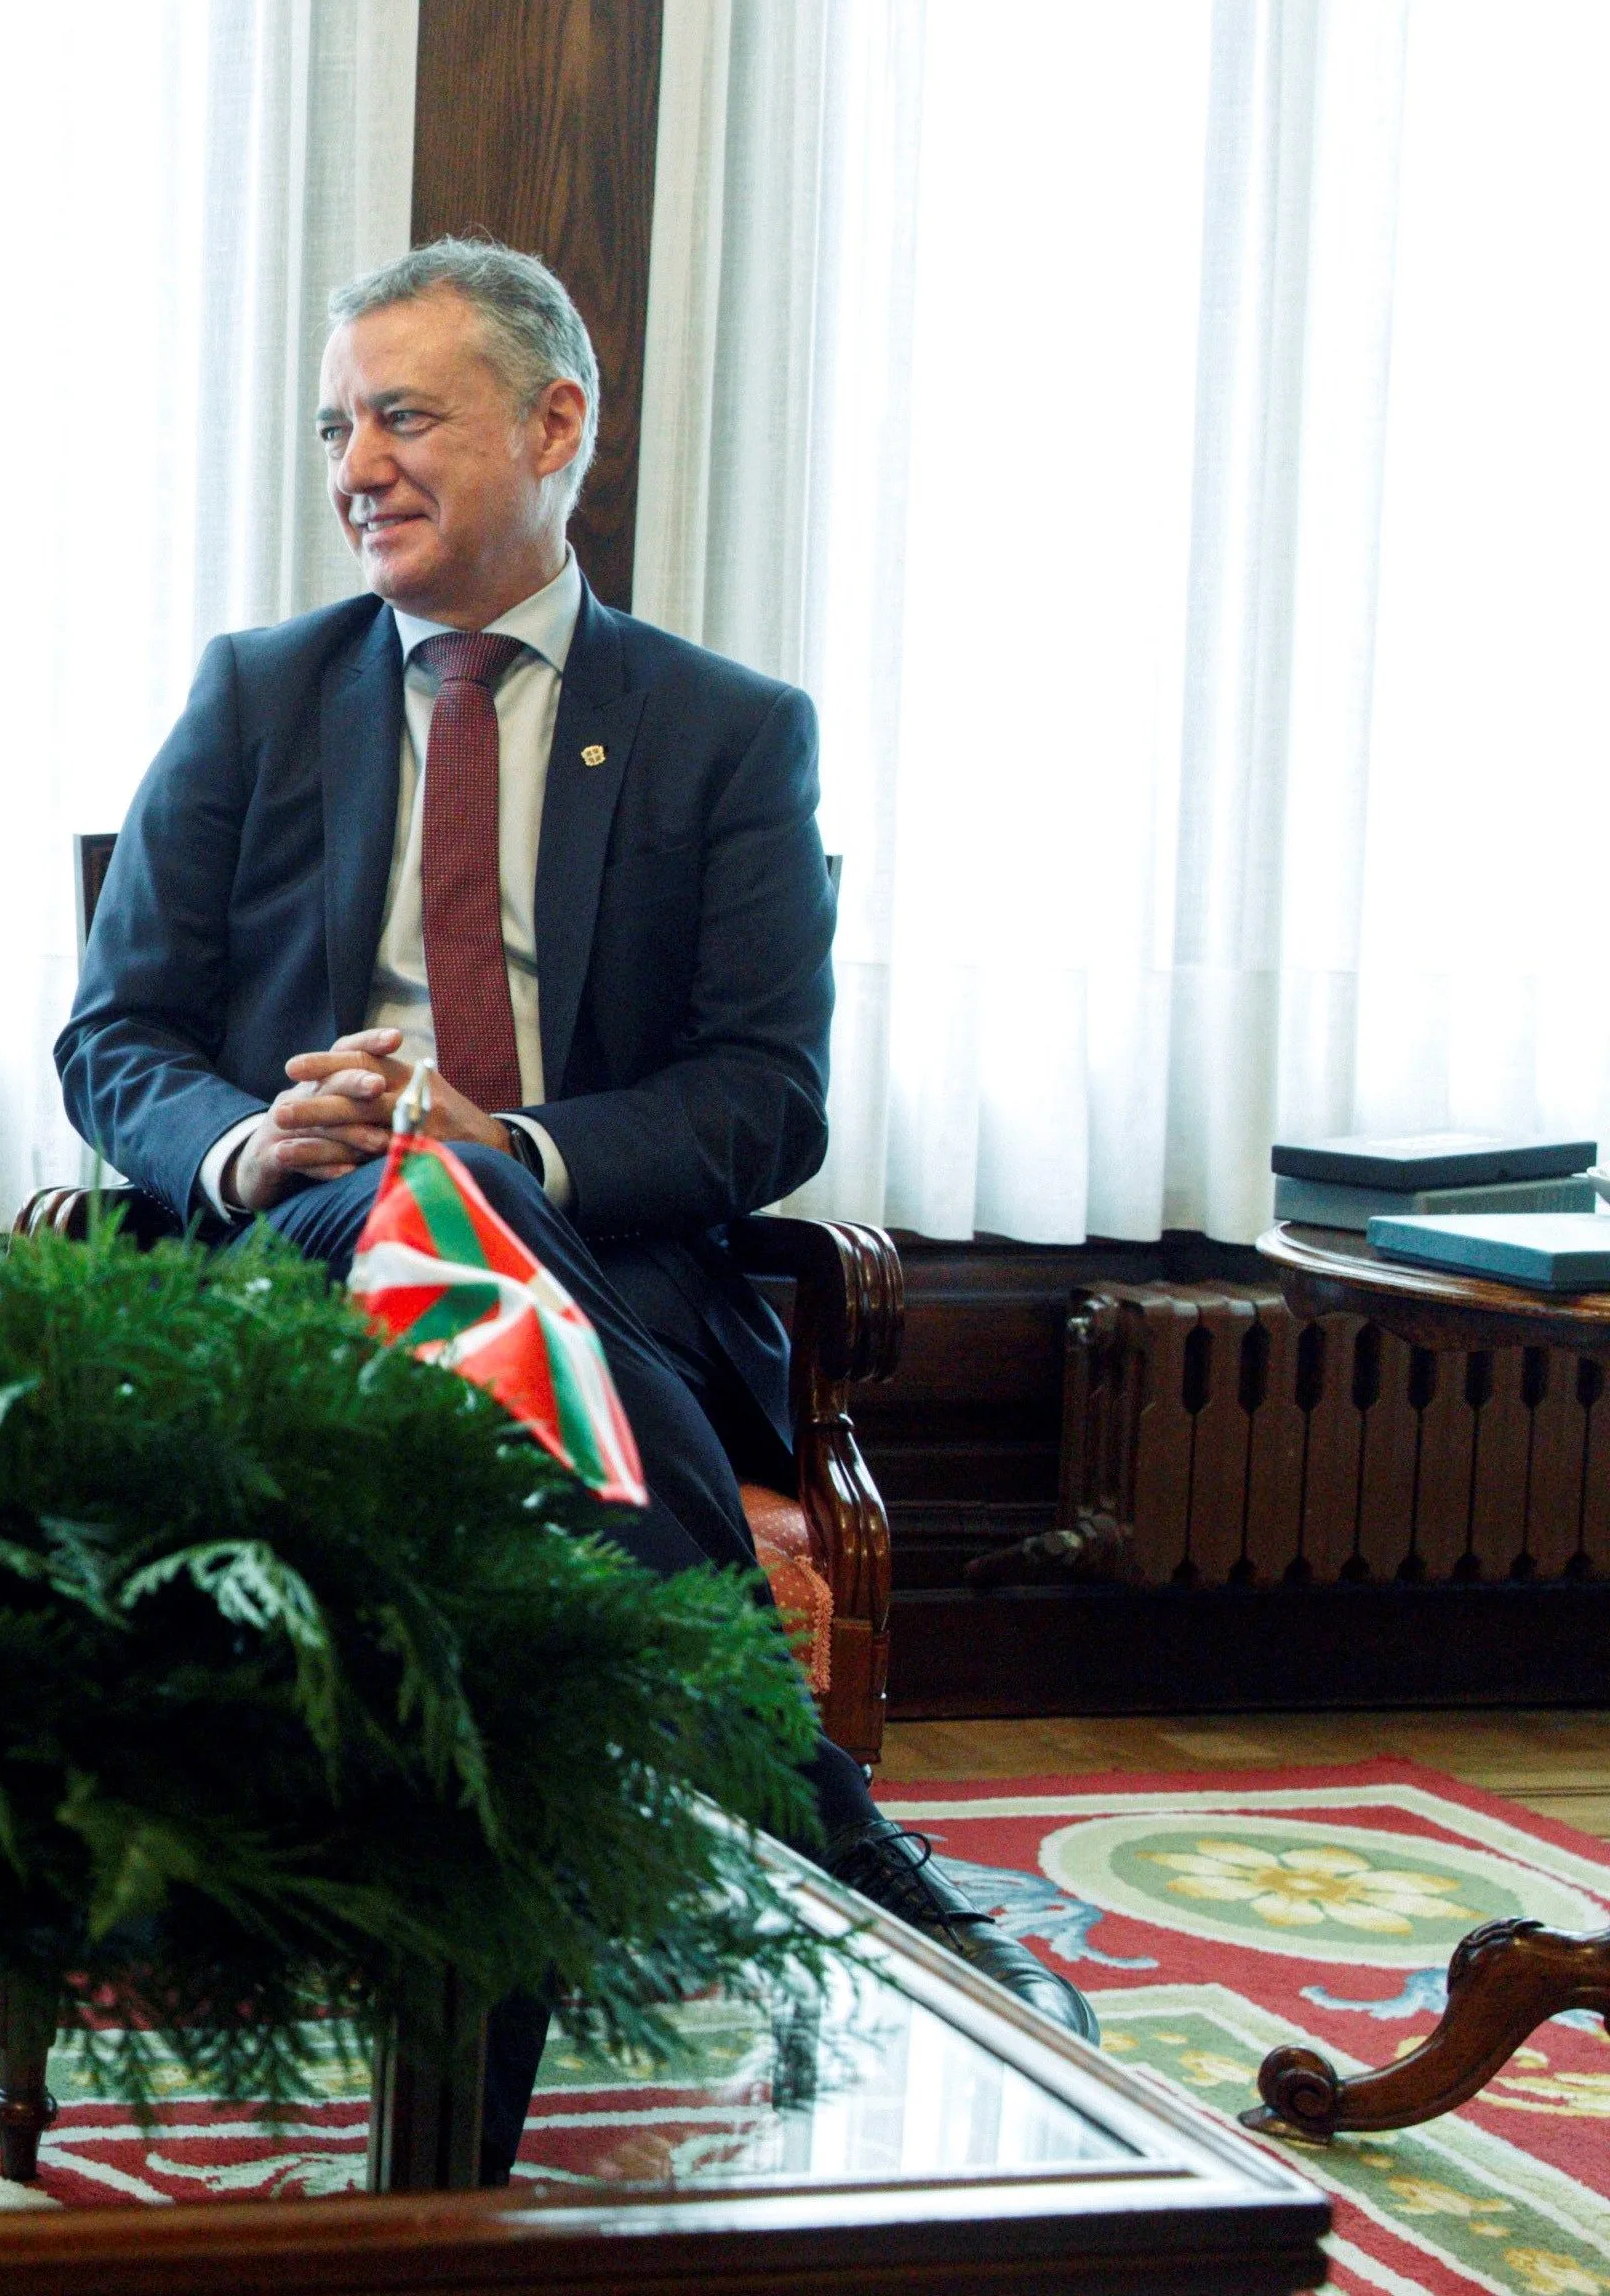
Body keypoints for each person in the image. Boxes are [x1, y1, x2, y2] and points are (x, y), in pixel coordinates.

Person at [55, 238, 1089, 2176]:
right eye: (331, 425)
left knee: (465, 1257)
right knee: (399, 1221)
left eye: (400, 414)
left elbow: (761, 1093)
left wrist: (506, 1149)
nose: (350, 460)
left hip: (595, 1282)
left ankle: (441, 2136)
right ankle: (827, 1828)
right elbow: (113, 1038)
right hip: (293, 1259)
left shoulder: (718, 731)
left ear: (553, 429)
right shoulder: (253, 700)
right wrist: (254, 1143)